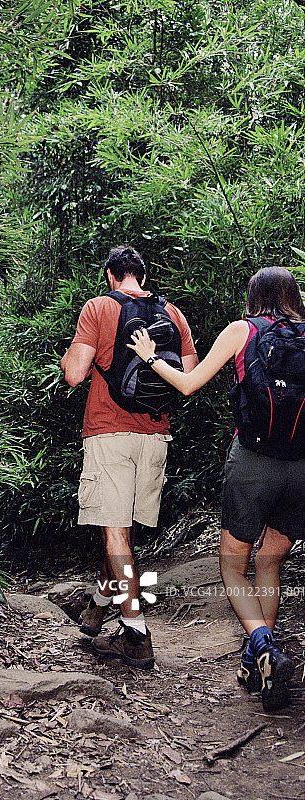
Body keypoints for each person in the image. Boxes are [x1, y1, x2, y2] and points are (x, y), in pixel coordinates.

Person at [128, 265, 304, 711]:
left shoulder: (243, 331)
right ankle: (257, 663)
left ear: (254, 297)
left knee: (232, 566)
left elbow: (189, 384)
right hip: (302, 468)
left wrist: (150, 357)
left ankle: (263, 646)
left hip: (253, 461)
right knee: (270, 562)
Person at [60, 245, 198, 668]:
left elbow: (75, 374)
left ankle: (136, 633)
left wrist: (69, 355)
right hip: (155, 435)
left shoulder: (98, 307)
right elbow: (189, 375)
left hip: (109, 433)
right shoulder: (172, 313)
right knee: (122, 534)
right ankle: (98, 607)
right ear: (144, 276)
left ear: (110, 275)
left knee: (116, 534)